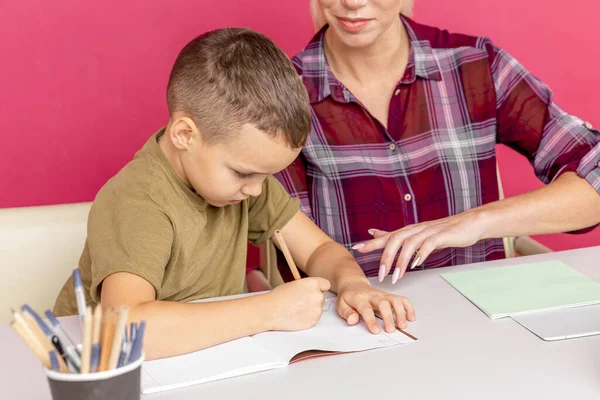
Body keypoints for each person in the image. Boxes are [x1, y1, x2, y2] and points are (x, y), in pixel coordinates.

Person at [52, 28, 416, 360]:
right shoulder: (137, 202)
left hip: (204, 358)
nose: (257, 189)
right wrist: (269, 310)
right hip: (96, 371)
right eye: (244, 173)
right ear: (184, 135)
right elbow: (129, 330)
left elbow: (319, 249)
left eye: (266, 175)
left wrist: (352, 284)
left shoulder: (241, 182)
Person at [275, 0, 600, 284]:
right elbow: (291, 239)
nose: (353, 1)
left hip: (485, 319)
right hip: (363, 327)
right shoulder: (281, 101)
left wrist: (476, 222)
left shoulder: (476, 66)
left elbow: (594, 176)